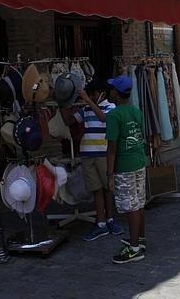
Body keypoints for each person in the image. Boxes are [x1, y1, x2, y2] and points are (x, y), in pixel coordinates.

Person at [61, 80, 123, 241]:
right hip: (88, 155)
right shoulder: (86, 109)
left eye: (92, 95)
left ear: (101, 93)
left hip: (103, 154)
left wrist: (88, 101)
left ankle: (110, 219)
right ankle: (101, 223)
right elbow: (69, 121)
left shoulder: (111, 107)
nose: (90, 97)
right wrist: (63, 101)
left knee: (107, 189)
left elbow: (104, 119)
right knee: (96, 189)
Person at [105, 75, 147, 264]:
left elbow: (111, 148)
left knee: (131, 207)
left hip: (124, 167)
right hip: (138, 162)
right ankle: (140, 239)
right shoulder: (135, 111)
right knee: (138, 202)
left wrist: (110, 174)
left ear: (116, 93)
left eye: (112, 89)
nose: (110, 91)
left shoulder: (114, 115)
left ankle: (134, 248)